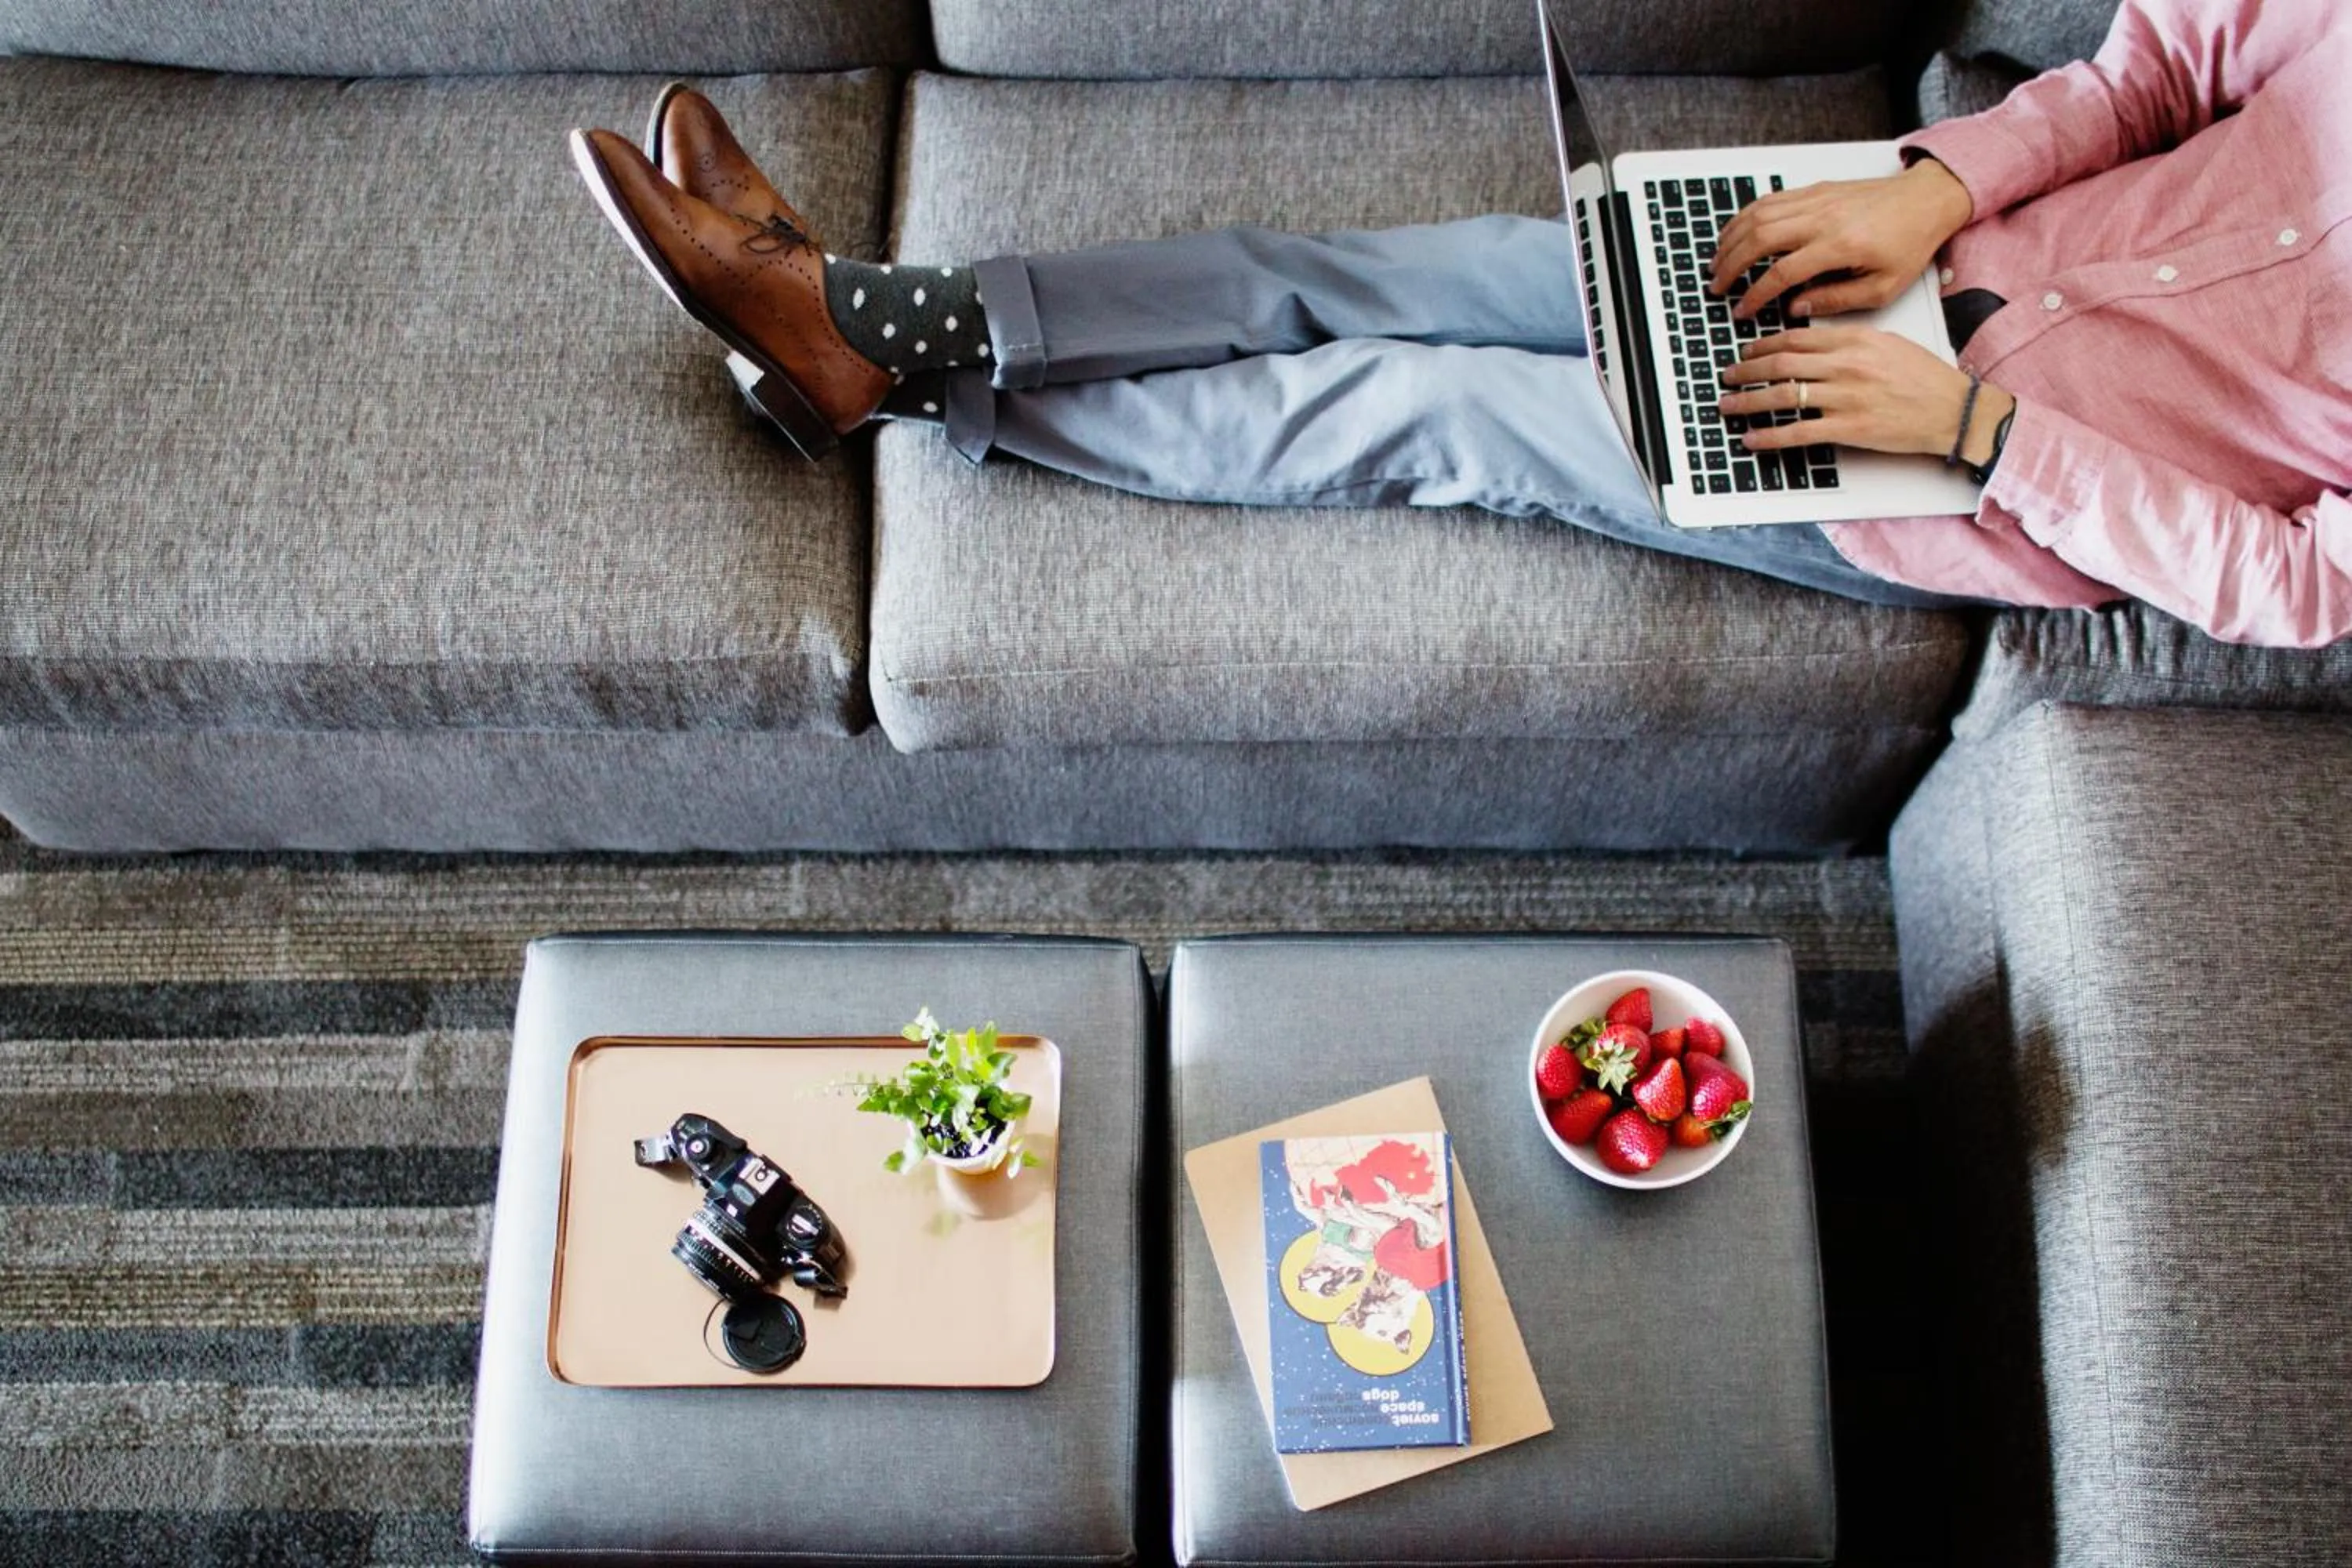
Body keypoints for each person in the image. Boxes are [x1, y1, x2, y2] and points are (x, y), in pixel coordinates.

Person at [570, 0, 2348, 647]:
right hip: (1868, 253)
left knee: (1429, 406)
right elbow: (2164, 63)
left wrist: (1978, 432)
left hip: (1940, 473)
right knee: (1346, 268)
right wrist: (1938, 186)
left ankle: (872, 358)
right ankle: (882, 324)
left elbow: (2299, 589)